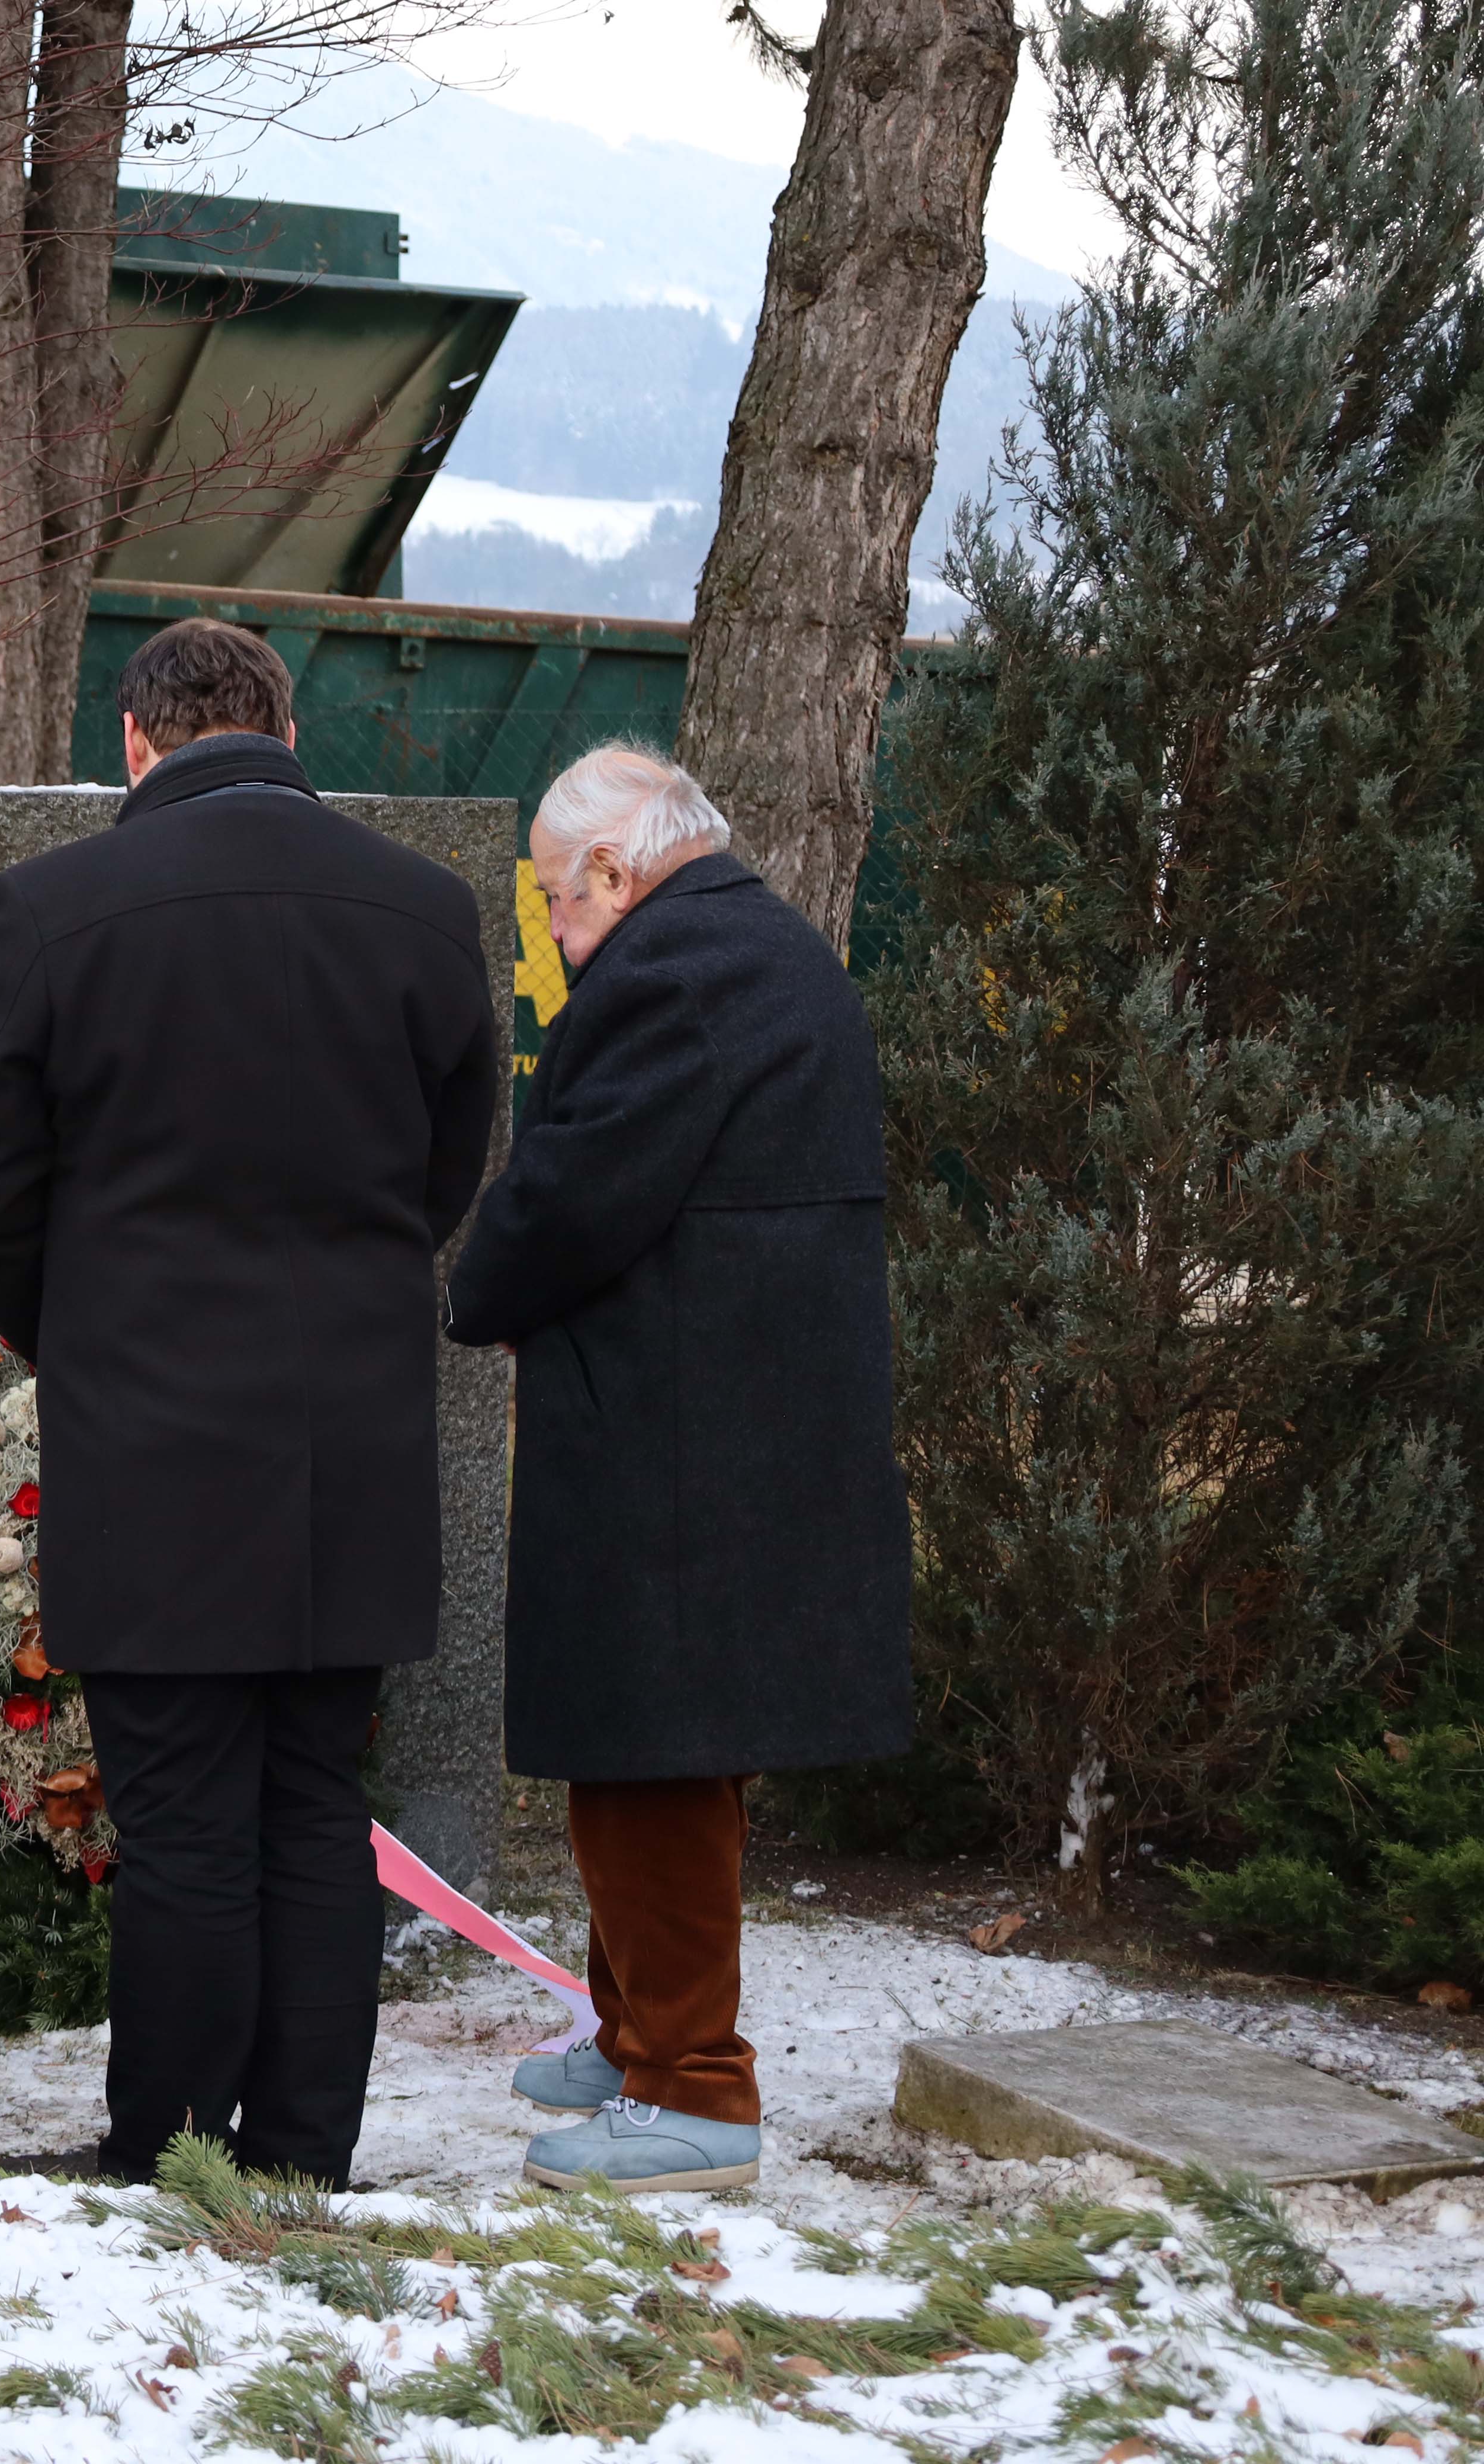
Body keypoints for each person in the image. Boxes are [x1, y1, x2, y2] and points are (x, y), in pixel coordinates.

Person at [0, 617, 500, 2187]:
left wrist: (84, 1328)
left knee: (181, 1813)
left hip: (156, 1430)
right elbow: (451, 1165)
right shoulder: (427, 914)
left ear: (136, 740)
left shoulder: (56, 910)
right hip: (353, 1438)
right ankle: (304, 2153)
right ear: (287, 729)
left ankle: (169, 2149)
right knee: (315, 1800)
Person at [445, 742, 911, 2196]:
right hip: (738, 1425)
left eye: (554, 905)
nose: (554, 937)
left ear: (614, 871)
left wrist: (477, 1277)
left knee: (649, 1763)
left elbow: (573, 1195)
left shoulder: (670, 980)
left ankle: (694, 2089)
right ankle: (635, 2028)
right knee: (645, 1751)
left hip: (676, 1445)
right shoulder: (766, 949)